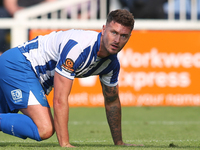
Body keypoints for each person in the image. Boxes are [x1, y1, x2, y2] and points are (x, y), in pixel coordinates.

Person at [0, 9, 142, 147]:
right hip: (19, 65)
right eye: (114, 32)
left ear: (129, 37)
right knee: (45, 129)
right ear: (104, 29)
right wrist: (65, 144)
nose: (117, 40)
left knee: (4, 115)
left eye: (123, 36)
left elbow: (112, 101)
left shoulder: (112, 64)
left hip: (27, 73)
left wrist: (119, 143)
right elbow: (60, 100)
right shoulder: (78, 48)